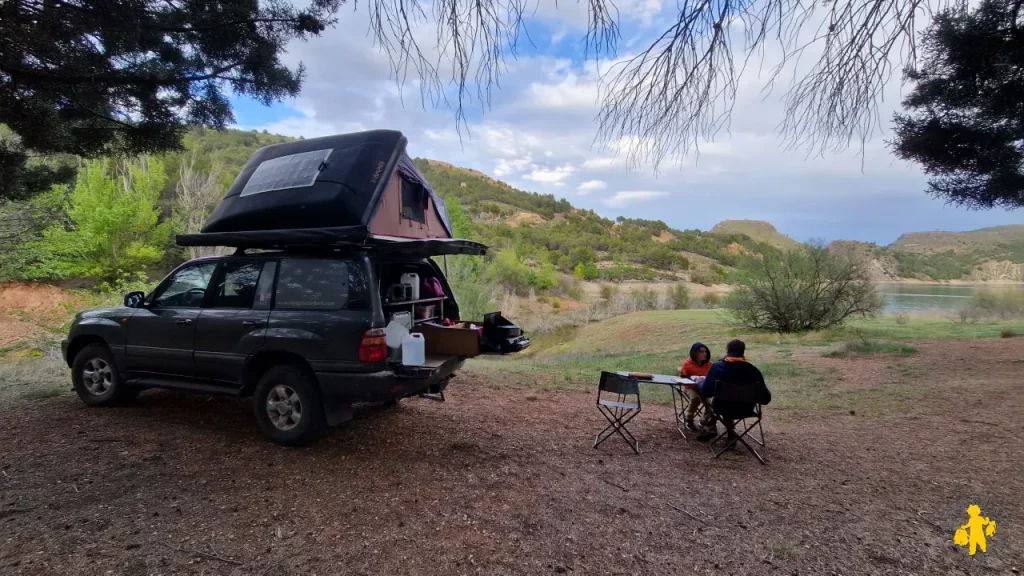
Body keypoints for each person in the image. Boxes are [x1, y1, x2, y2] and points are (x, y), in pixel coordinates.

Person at [696, 339, 772, 441]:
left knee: (724, 402)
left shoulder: (718, 367)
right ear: (743, 351)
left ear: (727, 350)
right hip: (746, 410)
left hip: (721, 409)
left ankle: (712, 427)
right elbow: (766, 399)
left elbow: (706, 392)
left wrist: (700, 382)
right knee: (730, 401)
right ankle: (729, 434)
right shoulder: (753, 371)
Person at [678, 342, 715, 434]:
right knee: (695, 399)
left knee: (710, 405)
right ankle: (689, 419)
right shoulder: (687, 363)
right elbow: (682, 377)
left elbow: (713, 376)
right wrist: (683, 374)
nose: (705, 354)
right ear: (695, 353)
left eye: (705, 352)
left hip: (704, 388)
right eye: (702, 352)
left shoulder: (710, 364)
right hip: (691, 387)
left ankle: (703, 421)